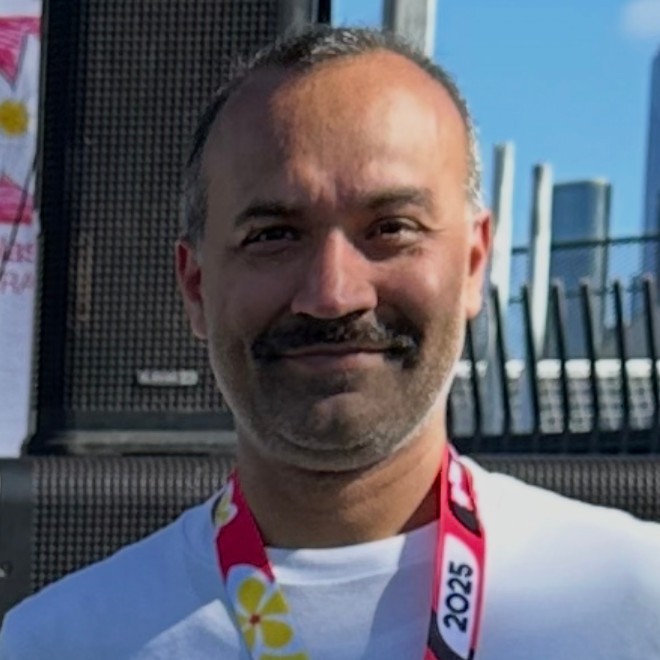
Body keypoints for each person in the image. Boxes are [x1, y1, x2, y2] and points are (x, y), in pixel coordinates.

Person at [1, 25, 660, 660]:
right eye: (273, 235)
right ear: (196, 286)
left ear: (472, 265)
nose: (333, 294)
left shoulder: (638, 601)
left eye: (391, 228)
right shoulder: (58, 643)